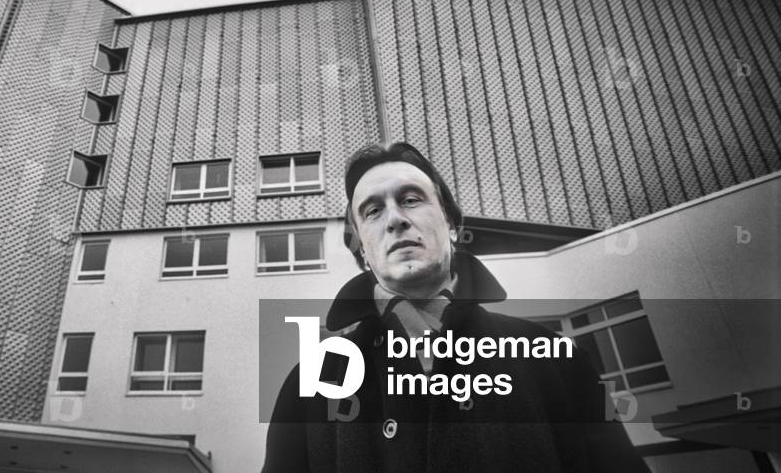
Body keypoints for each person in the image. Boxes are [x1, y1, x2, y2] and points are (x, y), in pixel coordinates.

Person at [262, 142, 651, 472]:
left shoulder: (554, 358)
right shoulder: (313, 382)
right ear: (363, 247)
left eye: (411, 200)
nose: (396, 219)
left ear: (450, 223)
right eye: (372, 211)